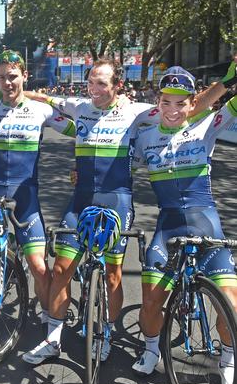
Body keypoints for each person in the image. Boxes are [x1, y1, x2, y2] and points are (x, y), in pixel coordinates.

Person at [21, 59, 227, 365]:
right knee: (62, 270)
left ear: (117, 85)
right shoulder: (79, 106)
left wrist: (225, 82)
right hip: (80, 201)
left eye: (102, 83)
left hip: (116, 202)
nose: (95, 89)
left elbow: (186, 108)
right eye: (91, 82)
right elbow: (42, 98)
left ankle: (104, 333)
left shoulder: (137, 111)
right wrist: (9, 94)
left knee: (113, 275)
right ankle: (52, 340)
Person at [131, 62, 237, 384]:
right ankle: (150, 349)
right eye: (166, 102)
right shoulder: (144, 136)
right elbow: (117, 169)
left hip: (206, 222)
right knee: (150, 301)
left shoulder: (207, 126)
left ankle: (229, 356)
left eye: (181, 102)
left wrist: (226, 82)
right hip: (168, 226)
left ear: (192, 104)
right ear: (157, 102)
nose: (173, 110)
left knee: (231, 303)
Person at [0, 50, 75, 327]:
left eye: (12, 76)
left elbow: (80, 130)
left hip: (26, 196)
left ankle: (50, 323)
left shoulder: (41, 110)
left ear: (25, 75)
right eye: (1, 77)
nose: (7, 83)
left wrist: (81, 163)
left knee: (38, 267)